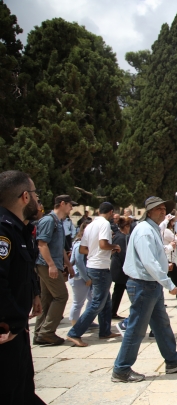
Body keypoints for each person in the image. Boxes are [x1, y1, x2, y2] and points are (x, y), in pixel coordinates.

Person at [112, 196, 177, 383]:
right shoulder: (144, 231)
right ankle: (121, 369)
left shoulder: (152, 229)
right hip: (143, 285)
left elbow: (155, 256)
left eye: (164, 209)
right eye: (159, 209)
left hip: (151, 284)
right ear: (149, 211)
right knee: (136, 329)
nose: (163, 212)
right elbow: (148, 261)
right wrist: (169, 283)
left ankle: (172, 360)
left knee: (161, 324)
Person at [0, 170, 45, 405]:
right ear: (25, 197)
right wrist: (16, 321)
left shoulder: (19, 228)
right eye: (36, 194)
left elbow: (22, 268)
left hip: (17, 328)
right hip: (8, 330)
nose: (39, 201)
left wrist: (35, 293)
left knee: (23, 386)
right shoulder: (3, 230)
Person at [67, 202, 121, 347]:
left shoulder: (90, 225)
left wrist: (96, 251)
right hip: (100, 268)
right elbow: (103, 244)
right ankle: (74, 333)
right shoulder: (104, 224)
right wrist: (114, 246)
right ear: (110, 212)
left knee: (106, 301)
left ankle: (105, 331)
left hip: (92, 265)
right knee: (97, 302)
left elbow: (83, 249)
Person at [33, 195, 76, 346]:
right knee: (61, 296)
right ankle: (47, 332)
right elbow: (42, 244)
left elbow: (60, 247)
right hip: (46, 265)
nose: (72, 208)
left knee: (48, 299)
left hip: (52, 265)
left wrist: (68, 265)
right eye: (70, 204)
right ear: (62, 204)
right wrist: (51, 265)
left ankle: (39, 333)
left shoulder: (59, 222)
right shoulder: (49, 220)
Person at [68, 222, 93, 325]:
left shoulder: (85, 243)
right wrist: (86, 278)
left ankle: (86, 322)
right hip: (79, 278)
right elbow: (78, 262)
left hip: (84, 277)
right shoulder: (79, 244)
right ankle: (74, 326)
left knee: (92, 300)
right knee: (78, 303)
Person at [111, 217, 131, 320]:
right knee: (124, 290)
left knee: (118, 291)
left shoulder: (120, 236)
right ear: (126, 226)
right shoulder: (121, 237)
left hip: (120, 268)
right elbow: (122, 254)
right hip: (120, 269)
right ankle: (112, 312)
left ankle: (112, 311)